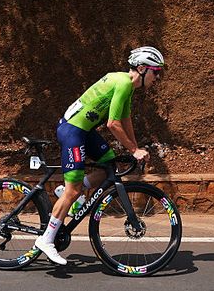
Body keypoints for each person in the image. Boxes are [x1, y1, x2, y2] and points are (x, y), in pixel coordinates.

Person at [33, 46, 166, 265]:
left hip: (84, 131)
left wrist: (135, 147)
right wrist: (134, 150)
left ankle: (71, 191)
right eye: (156, 71)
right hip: (73, 130)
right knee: (73, 190)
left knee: (110, 167)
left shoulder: (126, 85)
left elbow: (125, 120)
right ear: (142, 69)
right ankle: (46, 240)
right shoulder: (123, 84)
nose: (157, 77)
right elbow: (112, 124)